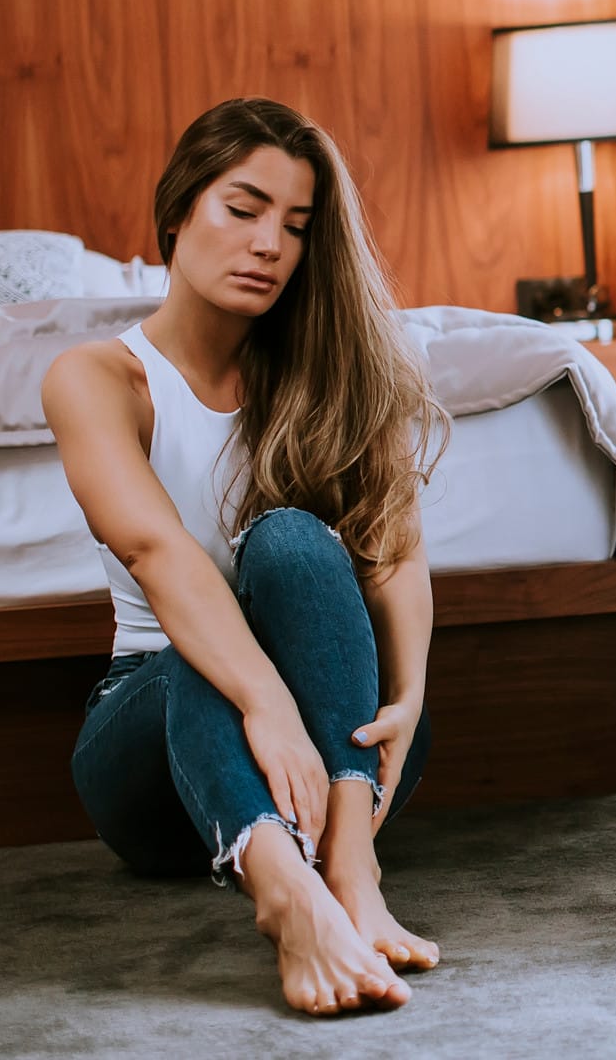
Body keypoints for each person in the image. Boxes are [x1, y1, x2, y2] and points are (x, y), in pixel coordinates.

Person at [43, 97, 449, 1016]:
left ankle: (350, 873)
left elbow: (394, 554)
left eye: (296, 227)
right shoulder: (99, 379)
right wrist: (263, 700)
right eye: (243, 208)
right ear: (180, 210)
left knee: (298, 541)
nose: (269, 243)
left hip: (337, 751)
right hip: (156, 756)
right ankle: (289, 901)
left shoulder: (330, 371)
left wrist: (410, 696)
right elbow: (154, 552)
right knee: (203, 649)